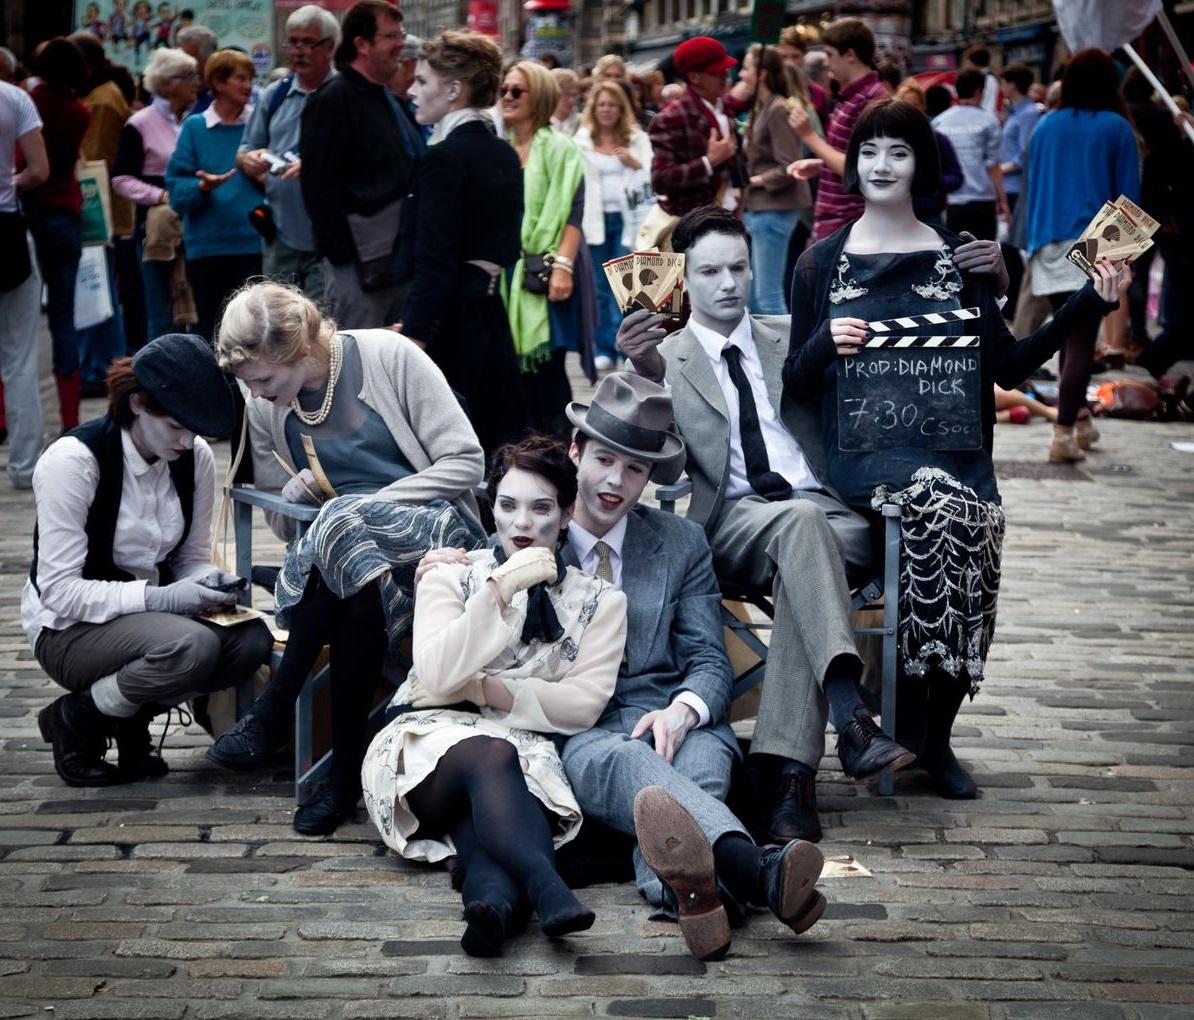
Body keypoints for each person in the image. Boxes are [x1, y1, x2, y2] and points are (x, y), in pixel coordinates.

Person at [781, 99, 1129, 799]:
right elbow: (794, 378)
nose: (882, 165)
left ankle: (932, 737)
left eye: (899, 153)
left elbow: (1010, 367)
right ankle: (917, 737)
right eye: (870, 151)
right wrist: (827, 342)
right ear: (852, 163)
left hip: (956, 453)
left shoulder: (958, 255)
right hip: (866, 455)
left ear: (921, 167)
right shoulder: (820, 262)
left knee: (972, 518)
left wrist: (1091, 301)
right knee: (941, 513)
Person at [422, 373, 830, 963]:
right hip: (585, 727)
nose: (616, 481)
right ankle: (755, 868)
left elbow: (709, 658)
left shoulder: (681, 542)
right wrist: (436, 562)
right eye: (604, 460)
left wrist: (685, 709)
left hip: (672, 713)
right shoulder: (529, 534)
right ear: (575, 454)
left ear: (649, 478)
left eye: (635, 469)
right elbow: (470, 609)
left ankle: (693, 896)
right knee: (627, 763)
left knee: (702, 769)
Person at [615, 206, 933, 844]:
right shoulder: (664, 359)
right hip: (732, 522)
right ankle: (848, 716)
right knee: (798, 525)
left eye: (738, 267)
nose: (728, 283)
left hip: (831, 517)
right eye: (710, 271)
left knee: (805, 530)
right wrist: (646, 380)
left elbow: (884, 351)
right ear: (681, 278)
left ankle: (787, 778)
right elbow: (666, 469)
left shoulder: (792, 334)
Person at [206, 281, 486, 835]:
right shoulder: (265, 408)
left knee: (345, 524)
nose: (258, 394)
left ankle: (275, 708)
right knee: (356, 595)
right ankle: (341, 784)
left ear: (301, 348)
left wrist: (362, 506)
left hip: (436, 539)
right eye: (248, 383)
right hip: (342, 572)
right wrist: (297, 498)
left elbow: (466, 463)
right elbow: (286, 528)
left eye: (264, 379)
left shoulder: (389, 357)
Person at [363, 435, 626, 956]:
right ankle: (548, 885)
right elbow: (436, 674)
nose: (523, 524)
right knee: (491, 753)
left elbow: (584, 704)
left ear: (568, 513)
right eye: (508, 506)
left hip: (524, 759)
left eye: (541, 508)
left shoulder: (601, 601)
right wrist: (498, 592)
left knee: (491, 796)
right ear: (493, 510)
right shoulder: (451, 575)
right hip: (425, 745)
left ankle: (492, 911)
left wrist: (483, 687)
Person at [25, 333, 274, 788]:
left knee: (251, 640)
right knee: (190, 647)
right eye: (176, 426)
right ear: (138, 404)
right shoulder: (73, 461)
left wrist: (208, 581)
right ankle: (77, 718)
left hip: (152, 617)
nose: (186, 440)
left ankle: (125, 715)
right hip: (67, 629)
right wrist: (164, 598)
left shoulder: (191, 455)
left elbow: (192, 557)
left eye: (195, 430)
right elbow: (58, 590)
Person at [397, 29, 527, 461]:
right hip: (491, 320)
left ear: (453, 90)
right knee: (493, 445)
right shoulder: (503, 153)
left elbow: (435, 259)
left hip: (448, 327)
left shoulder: (444, 158)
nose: (412, 90)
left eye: (422, 81)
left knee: (449, 454)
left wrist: (414, 335)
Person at [1025, 50, 1140, 463]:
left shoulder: (1045, 125)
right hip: (1099, 239)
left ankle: (1081, 419)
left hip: (1047, 238)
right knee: (1080, 344)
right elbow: (1128, 199)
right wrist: (1127, 258)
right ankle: (1063, 431)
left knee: (1070, 341)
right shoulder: (1116, 127)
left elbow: (1033, 186)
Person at [300, 0, 420, 330]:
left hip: (395, 263)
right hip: (359, 269)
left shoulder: (386, 98)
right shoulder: (333, 99)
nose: (401, 44)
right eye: (392, 36)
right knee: (357, 363)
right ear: (362, 44)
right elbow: (318, 186)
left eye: (402, 34)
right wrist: (344, 259)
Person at [499, 59, 593, 441]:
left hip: (543, 272)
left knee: (549, 377)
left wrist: (563, 267)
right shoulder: (498, 147)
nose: (507, 97)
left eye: (516, 91)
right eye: (504, 90)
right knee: (509, 382)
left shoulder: (560, 149)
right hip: (503, 275)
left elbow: (573, 214)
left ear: (537, 97)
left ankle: (557, 458)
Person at [236, 4, 338, 305]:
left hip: (329, 238)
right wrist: (248, 160)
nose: (298, 51)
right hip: (280, 232)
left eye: (308, 42)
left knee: (322, 327)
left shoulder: (343, 96)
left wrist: (317, 167)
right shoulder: (275, 94)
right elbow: (245, 149)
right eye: (293, 42)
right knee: (278, 324)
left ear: (330, 47)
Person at [165, 48, 261, 342]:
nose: (248, 86)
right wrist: (203, 187)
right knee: (213, 332)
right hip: (208, 247)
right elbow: (176, 190)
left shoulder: (258, 122)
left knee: (254, 333)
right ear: (218, 83)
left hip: (253, 243)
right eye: (241, 79)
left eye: (251, 79)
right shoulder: (195, 127)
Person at [23, 38, 91, 434]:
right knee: (64, 319)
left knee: (16, 322)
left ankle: (10, 414)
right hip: (66, 214)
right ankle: (69, 419)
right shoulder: (79, 112)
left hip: (27, 215)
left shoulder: (29, 102)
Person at [112, 47, 199, 344]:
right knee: (161, 311)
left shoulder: (196, 119)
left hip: (197, 222)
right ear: (166, 84)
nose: (196, 82)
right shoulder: (139, 123)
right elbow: (121, 178)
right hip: (156, 230)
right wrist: (161, 195)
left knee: (196, 308)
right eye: (188, 77)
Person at [785, 18, 888, 241]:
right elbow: (849, 157)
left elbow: (863, 168)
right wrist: (822, 165)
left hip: (849, 225)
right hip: (836, 223)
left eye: (830, 55)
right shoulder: (851, 96)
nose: (827, 64)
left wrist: (809, 136)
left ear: (850, 55)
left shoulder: (872, 99)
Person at [70, 32, 132, 395]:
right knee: (101, 289)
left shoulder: (102, 100)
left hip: (101, 210)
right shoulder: (103, 94)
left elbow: (92, 161)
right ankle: (100, 363)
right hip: (105, 209)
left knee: (99, 291)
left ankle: (99, 367)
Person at [575, 80, 654, 369]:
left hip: (629, 220)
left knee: (628, 287)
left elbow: (653, 177)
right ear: (593, 108)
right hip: (593, 221)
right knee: (597, 287)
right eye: (602, 104)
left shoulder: (637, 139)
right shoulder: (581, 141)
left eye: (613, 104)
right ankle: (604, 346)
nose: (607, 110)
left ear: (622, 108)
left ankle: (629, 347)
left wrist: (635, 163)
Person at [1122, 68, 1194, 376]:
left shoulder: (1120, 116)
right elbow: (1175, 167)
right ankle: (1155, 338)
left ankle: (1133, 333)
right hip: (1159, 207)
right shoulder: (1160, 118)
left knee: (1128, 273)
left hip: (1124, 208)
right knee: (1174, 274)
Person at [647, 36, 741, 247]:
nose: (726, 75)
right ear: (695, 77)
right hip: (690, 233)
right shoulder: (670, 118)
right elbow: (661, 180)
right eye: (717, 71)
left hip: (727, 225)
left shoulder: (723, 109)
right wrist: (708, 162)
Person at [0, 77, 48, 489]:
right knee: (20, 357)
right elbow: (39, 170)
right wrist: (9, 182)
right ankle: (25, 465)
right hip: (6, 231)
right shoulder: (14, 98)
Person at [738, 44, 807, 315]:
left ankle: (784, 357)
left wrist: (753, 180)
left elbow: (790, 165)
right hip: (762, 209)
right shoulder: (763, 107)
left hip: (775, 209)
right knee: (757, 299)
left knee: (767, 298)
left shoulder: (778, 108)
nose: (741, 74)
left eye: (746, 68)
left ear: (762, 74)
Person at [931, 67, 1008, 241]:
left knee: (957, 257)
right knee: (985, 258)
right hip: (983, 200)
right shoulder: (989, 121)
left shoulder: (940, 122)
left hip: (953, 201)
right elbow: (993, 166)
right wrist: (1003, 201)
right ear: (979, 91)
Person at [996, 63, 1042, 319]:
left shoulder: (1028, 114)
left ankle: (1014, 304)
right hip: (1008, 187)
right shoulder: (1013, 112)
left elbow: (1026, 153)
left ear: (1012, 84)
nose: (1001, 88)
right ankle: (1012, 303)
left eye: (1004, 82)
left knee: (1013, 248)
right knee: (1010, 247)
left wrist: (999, 170)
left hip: (1017, 187)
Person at [894, 79, 963, 226]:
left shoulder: (938, 139)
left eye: (916, 105)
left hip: (930, 215)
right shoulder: (889, 141)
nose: (911, 110)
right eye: (906, 105)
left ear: (924, 106)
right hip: (895, 214)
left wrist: (932, 182)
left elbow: (957, 177)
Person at [175, 24, 217, 113]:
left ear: (209, 59)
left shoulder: (225, 97)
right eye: (177, 56)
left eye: (187, 57)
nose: (179, 63)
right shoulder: (165, 91)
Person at [550, 67, 580, 135]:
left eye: (574, 95)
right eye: (566, 95)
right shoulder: (539, 123)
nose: (571, 100)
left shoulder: (582, 123)